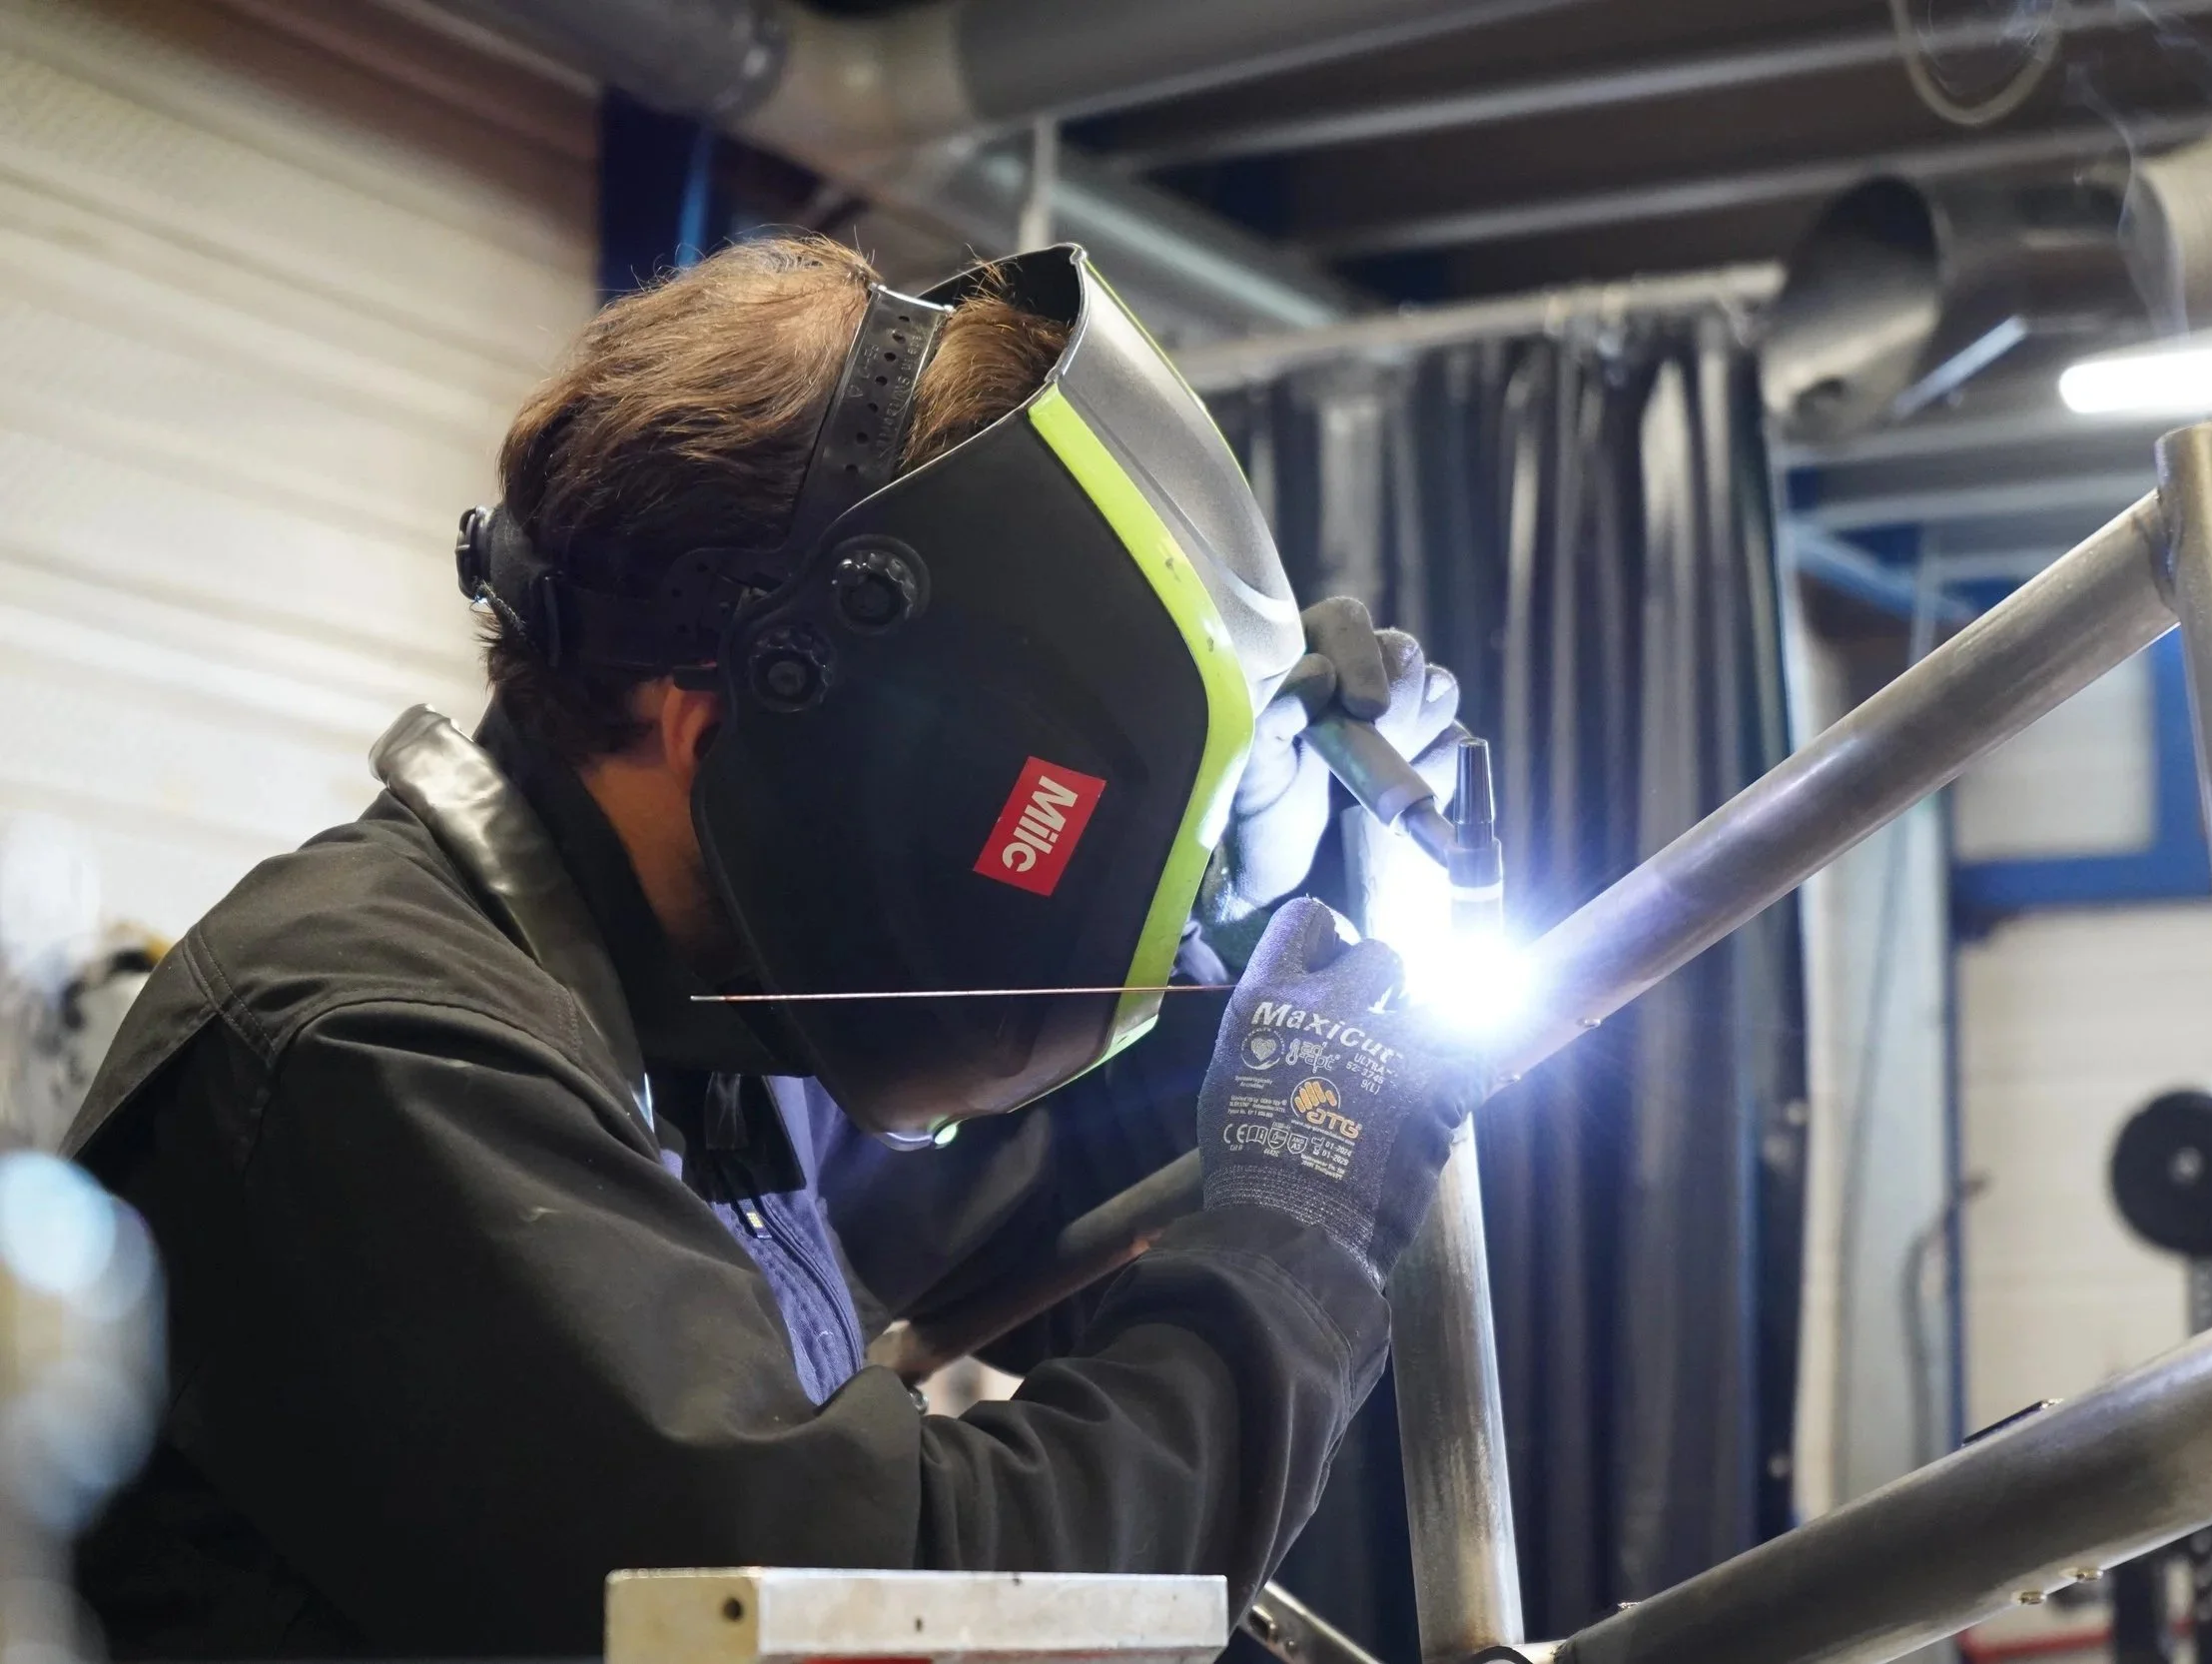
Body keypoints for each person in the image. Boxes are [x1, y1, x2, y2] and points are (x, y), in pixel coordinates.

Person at [64, 236, 1479, 1659]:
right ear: (726, 718)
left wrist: (1206, 896)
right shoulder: (370, 1055)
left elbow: (998, 1173)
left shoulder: (688, 1007)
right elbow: (853, 1607)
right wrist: (1299, 1228)